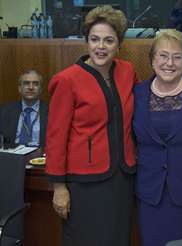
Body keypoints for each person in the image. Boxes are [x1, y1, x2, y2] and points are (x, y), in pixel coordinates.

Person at [45, 5, 137, 246]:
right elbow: (55, 137)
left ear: (119, 44)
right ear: (86, 41)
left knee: (118, 239)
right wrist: (59, 187)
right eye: (95, 39)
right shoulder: (67, 80)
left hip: (122, 178)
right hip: (84, 183)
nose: (101, 46)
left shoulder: (127, 72)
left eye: (109, 40)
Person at [133, 29, 182, 246]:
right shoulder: (136, 93)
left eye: (177, 57)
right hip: (150, 195)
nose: (170, 63)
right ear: (152, 59)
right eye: (163, 55)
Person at [0, 69, 48, 147]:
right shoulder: (4, 111)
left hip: (40, 157)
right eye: (26, 83)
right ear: (19, 88)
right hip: (12, 155)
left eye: (35, 84)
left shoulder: (52, 112)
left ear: (40, 89)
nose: (31, 87)